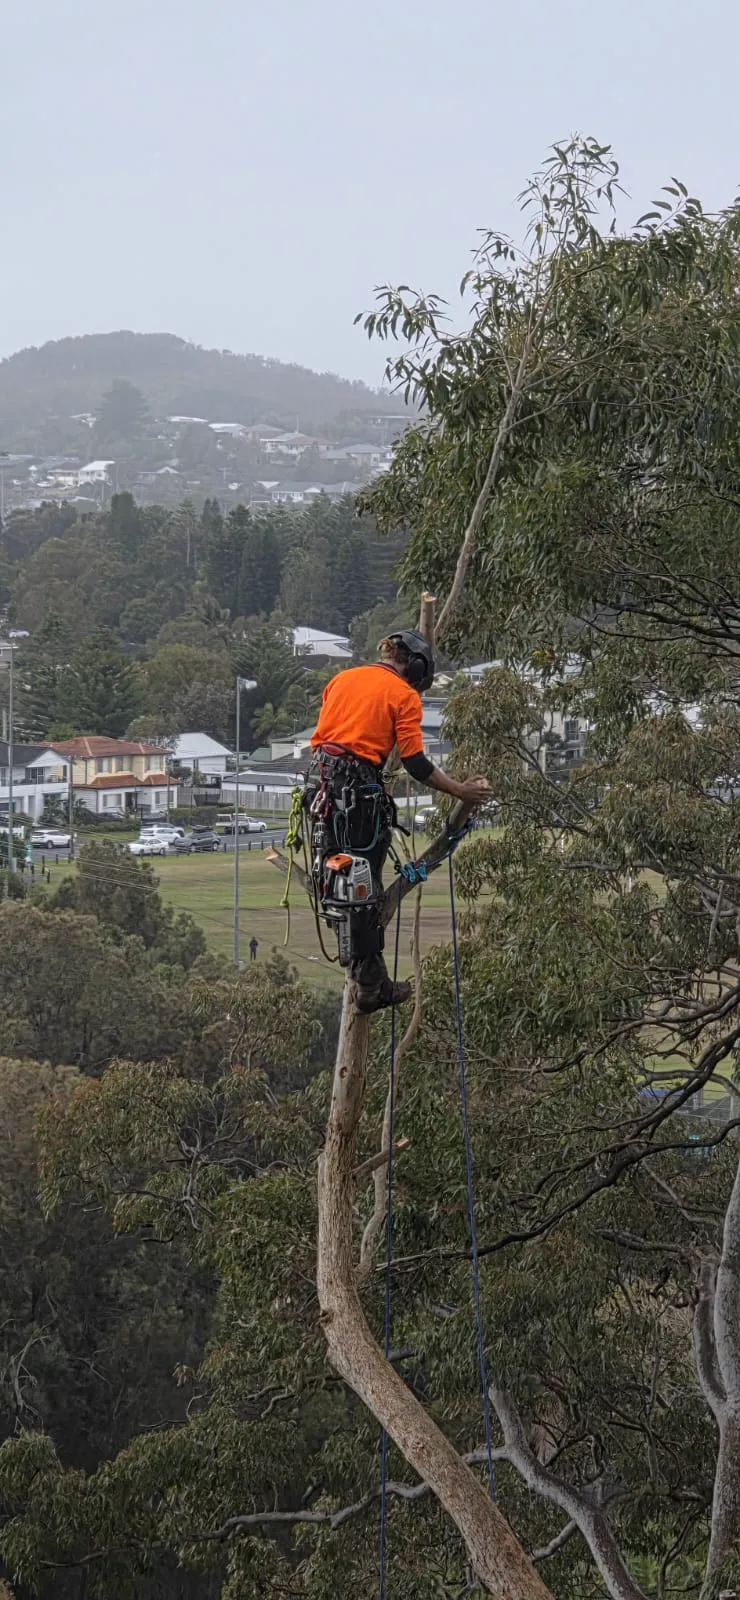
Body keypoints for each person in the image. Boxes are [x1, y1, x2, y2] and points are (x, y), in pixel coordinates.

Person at [306, 631, 490, 1014]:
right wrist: (460, 791)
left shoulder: (341, 679)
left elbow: (330, 739)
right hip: (358, 798)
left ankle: (358, 965)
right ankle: (371, 986)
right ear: (417, 667)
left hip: (322, 789)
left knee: (335, 881)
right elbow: (416, 763)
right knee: (363, 889)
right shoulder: (403, 695)